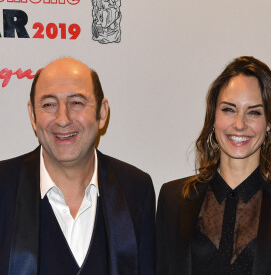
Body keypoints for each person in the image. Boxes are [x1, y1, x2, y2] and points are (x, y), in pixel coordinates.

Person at [0, 57, 156, 275]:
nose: (62, 119)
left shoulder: (136, 188)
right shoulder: (4, 186)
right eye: (48, 104)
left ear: (102, 113)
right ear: (32, 116)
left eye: (77, 103)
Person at [156, 56, 271, 275]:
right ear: (213, 117)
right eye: (229, 110)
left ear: (269, 123)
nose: (239, 124)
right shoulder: (174, 198)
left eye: (254, 112)